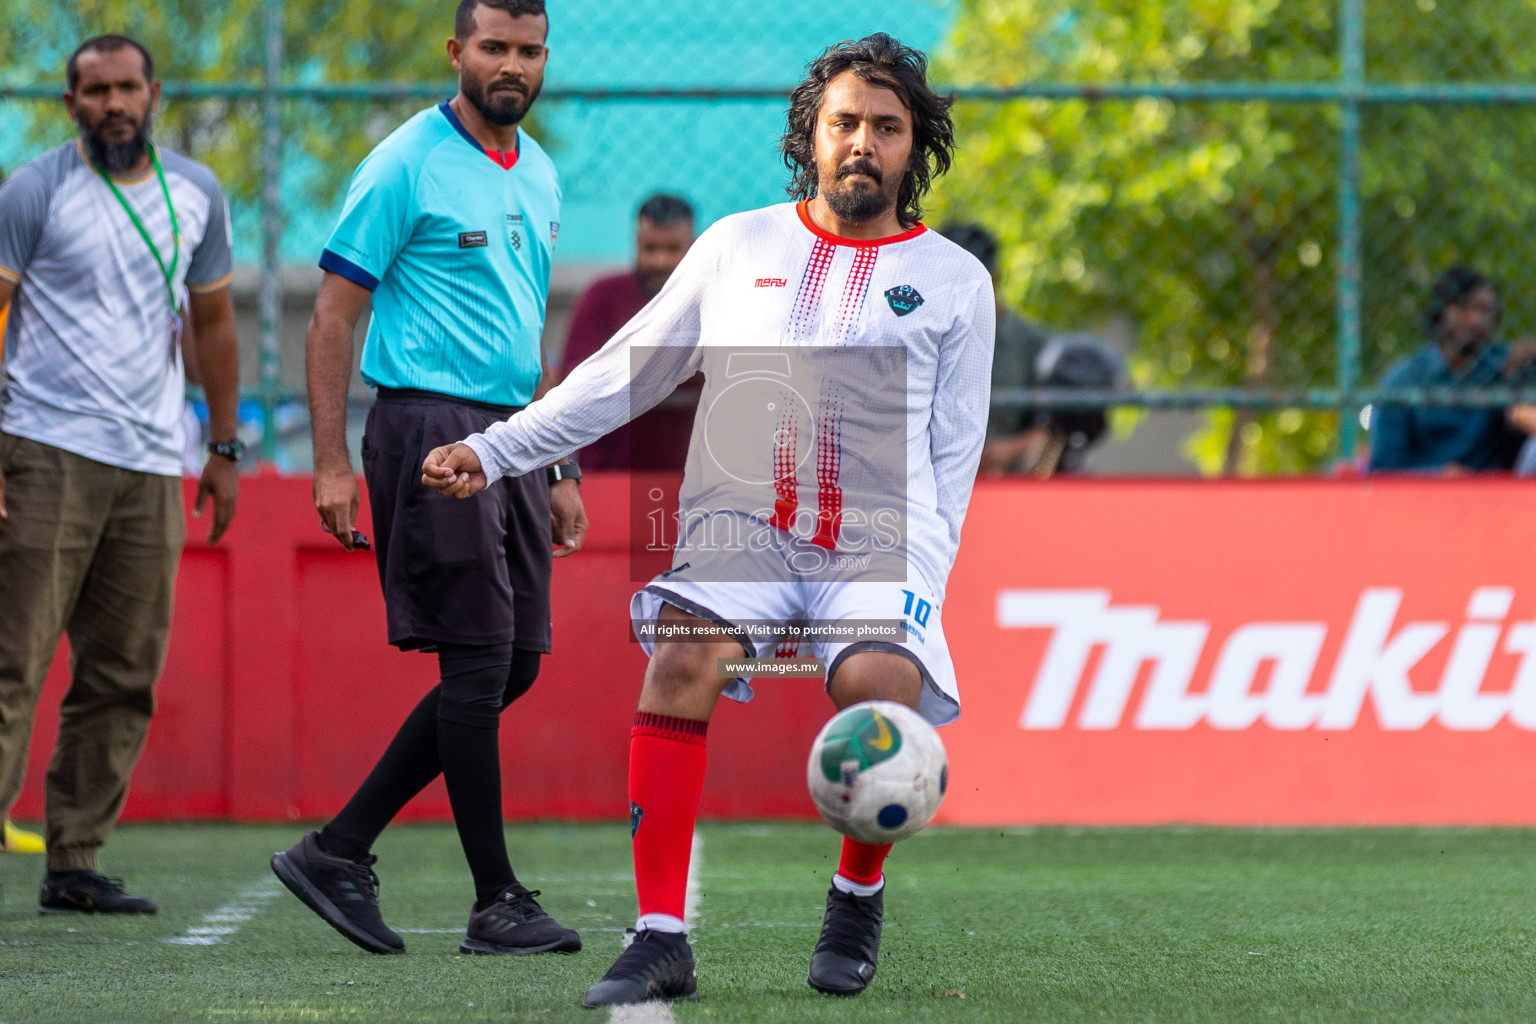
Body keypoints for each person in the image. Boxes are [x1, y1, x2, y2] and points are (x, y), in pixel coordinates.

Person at [423, 33, 992, 1006]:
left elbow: (953, 459)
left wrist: (922, 588)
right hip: (741, 528)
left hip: (878, 538)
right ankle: (659, 934)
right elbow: (624, 372)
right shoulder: (738, 246)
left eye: (887, 128)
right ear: (812, 135)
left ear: (915, 147)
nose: (863, 142)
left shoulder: (954, 281)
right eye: (845, 122)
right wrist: (498, 448)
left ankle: (857, 892)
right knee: (680, 656)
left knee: (882, 682)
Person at [270, 0, 586, 959]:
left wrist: (556, 458)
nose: (512, 66)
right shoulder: (404, 161)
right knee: (480, 662)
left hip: (512, 439)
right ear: (457, 51)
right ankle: (495, 901)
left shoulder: (539, 170)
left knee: (514, 662)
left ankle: (339, 848)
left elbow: (522, 331)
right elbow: (332, 317)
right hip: (426, 426)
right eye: (494, 47)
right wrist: (331, 461)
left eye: (529, 51)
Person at [0, 34, 240, 911]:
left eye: (127, 88)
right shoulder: (35, 191)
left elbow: (212, 324)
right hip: (42, 450)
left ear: (154, 94)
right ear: (70, 105)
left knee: (123, 672)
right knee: (12, 663)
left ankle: (73, 860)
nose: (113, 104)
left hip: (151, 462)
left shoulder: (196, 193)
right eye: (95, 90)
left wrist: (221, 449)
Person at [558, 193, 699, 470]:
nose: (660, 261)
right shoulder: (602, 296)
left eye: (672, 249)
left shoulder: (711, 300)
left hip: (692, 472)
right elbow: (573, 378)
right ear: (636, 244)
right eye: (650, 248)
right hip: (612, 473)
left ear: (693, 247)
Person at [1369, 266, 1535, 473]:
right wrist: (1437, 475)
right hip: (1423, 496)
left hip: (1496, 494)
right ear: (1441, 310)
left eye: (1486, 311)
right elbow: (1383, 471)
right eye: (1463, 307)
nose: (1475, 320)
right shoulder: (1403, 380)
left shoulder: (1507, 365)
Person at [936, 222, 1052, 474]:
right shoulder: (921, 333)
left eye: (968, 278)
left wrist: (1013, 448)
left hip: (1011, 478)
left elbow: (1053, 430)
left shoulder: (1032, 344)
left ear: (994, 277)